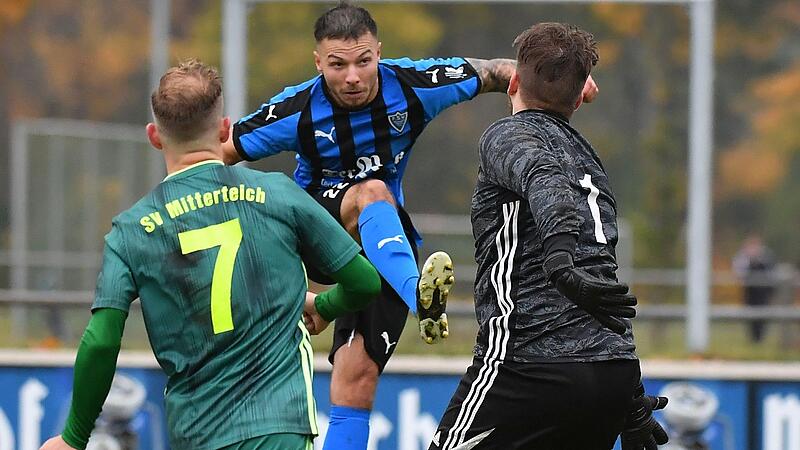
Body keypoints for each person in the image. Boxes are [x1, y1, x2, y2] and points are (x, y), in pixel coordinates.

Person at [223, 4, 600, 448]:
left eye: (363, 61)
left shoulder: (414, 85)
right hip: (312, 234)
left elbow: (498, 73)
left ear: (379, 53)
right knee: (372, 191)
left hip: (378, 244)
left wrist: (564, 80)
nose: (352, 77)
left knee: (356, 378)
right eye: (337, 65)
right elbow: (219, 154)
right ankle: (421, 299)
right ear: (318, 62)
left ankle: (366, 302)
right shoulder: (297, 110)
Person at [39, 59, 382, 450]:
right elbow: (364, 280)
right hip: (278, 426)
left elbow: (101, 341)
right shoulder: (277, 193)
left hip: (198, 434)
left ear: (154, 136)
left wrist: (73, 437)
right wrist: (323, 305)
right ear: (224, 129)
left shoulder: (131, 229)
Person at [429, 23, 668, 450]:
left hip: (529, 364)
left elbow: (548, 188)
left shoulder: (508, 135)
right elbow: (604, 279)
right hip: (611, 373)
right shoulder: (588, 161)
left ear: (514, 81)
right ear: (579, 99)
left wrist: (560, 266)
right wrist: (631, 397)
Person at [732, 235, 776, 343]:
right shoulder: (743, 257)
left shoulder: (766, 256)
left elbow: (771, 273)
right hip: (750, 291)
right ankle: (753, 339)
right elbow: (739, 272)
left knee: (762, 316)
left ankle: (760, 339)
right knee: (750, 315)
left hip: (763, 291)